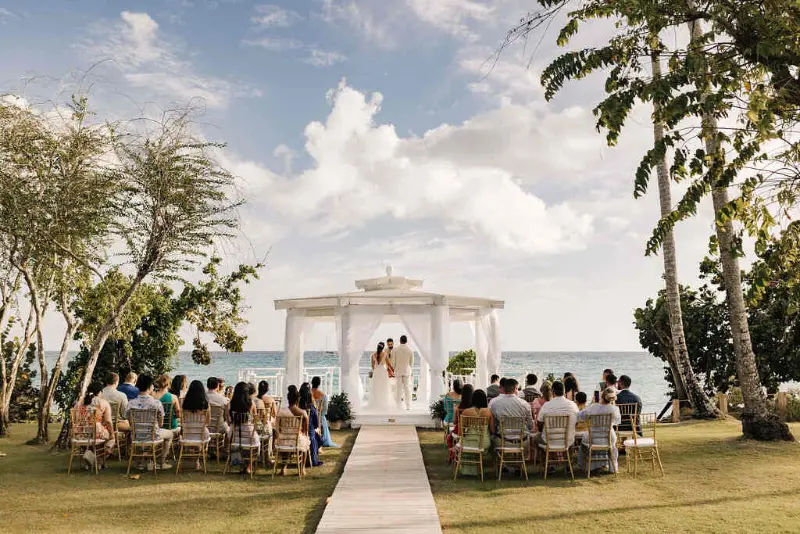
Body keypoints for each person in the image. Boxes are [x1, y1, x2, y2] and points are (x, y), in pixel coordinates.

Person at [126, 374, 173, 470]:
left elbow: (130, 422)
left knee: (137, 435)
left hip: (136, 435)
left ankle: (140, 462)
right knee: (170, 434)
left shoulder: (131, 403)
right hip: (153, 435)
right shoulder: (156, 403)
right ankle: (162, 462)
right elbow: (161, 424)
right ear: (150, 387)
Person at [576, 387, 621, 474]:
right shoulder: (614, 409)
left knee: (583, 443)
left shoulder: (593, 407)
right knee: (612, 446)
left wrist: (592, 404)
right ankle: (611, 467)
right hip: (609, 438)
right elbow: (617, 422)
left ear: (602, 396)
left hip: (593, 438)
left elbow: (580, 416)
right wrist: (612, 404)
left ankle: (586, 466)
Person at [74, 381, 115, 468]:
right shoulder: (103, 402)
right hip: (96, 433)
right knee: (111, 438)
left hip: (80, 434)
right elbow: (108, 421)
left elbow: (75, 419)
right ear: (100, 392)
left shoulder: (79, 403)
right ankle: (99, 460)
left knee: (96, 436)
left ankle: (90, 456)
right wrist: (112, 433)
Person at [489, 378, 534, 450]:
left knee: (490, 439)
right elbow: (530, 426)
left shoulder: (495, 404)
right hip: (522, 443)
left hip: (502, 442)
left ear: (503, 388)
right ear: (515, 389)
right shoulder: (525, 404)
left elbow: (493, 425)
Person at [535, 381, 579, 449]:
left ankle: (546, 455)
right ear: (564, 391)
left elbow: (539, 424)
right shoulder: (573, 405)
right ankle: (569, 455)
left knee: (536, 437)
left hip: (549, 441)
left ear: (552, 391)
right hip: (567, 441)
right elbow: (576, 423)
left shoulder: (546, 405)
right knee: (572, 439)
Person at [228, 382, 260, 475]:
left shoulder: (230, 404)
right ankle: (249, 466)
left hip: (234, 435)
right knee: (257, 445)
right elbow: (255, 420)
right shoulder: (251, 403)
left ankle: (239, 463)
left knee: (238, 444)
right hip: (249, 435)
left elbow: (229, 421)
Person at [278, 385, 310, 476]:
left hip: (284, 440)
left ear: (288, 399)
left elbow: (278, 427)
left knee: (290, 443)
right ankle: (302, 469)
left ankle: (283, 468)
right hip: (297, 439)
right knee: (305, 442)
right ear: (298, 399)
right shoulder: (302, 412)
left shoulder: (281, 411)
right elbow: (306, 430)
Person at [182, 380, 211, 470]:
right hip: (201, 432)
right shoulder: (206, 405)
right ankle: (197, 460)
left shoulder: (185, 403)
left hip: (187, 432)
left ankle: (191, 452)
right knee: (203, 436)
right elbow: (208, 421)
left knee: (194, 435)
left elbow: (183, 420)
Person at [300, 383, 323, 467]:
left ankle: (306, 458)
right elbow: (316, 424)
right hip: (309, 432)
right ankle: (313, 459)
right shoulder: (311, 408)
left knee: (315, 435)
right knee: (317, 437)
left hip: (298, 432)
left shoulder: (297, 407)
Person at [311, 376, 338, 448]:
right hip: (319, 418)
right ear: (319, 384)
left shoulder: (308, 394)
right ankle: (323, 439)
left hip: (309, 417)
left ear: (312, 383)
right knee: (323, 418)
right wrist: (319, 414)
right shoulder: (323, 395)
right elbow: (325, 410)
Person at [367, 341, 394, 411]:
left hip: (376, 373)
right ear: (383, 348)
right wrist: (393, 370)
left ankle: (376, 403)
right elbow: (389, 364)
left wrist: (375, 371)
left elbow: (372, 366)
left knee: (376, 388)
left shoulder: (373, 355)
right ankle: (383, 402)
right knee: (383, 387)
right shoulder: (385, 354)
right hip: (383, 372)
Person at [393, 335, 414, 410]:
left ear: (400, 341)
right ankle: (408, 406)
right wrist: (409, 369)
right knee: (407, 389)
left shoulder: (395, 349)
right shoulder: (410, 350)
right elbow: (411, 363)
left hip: (398, 371)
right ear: (406, 341)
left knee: (398, 389)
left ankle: (398, 406)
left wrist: (394, 369)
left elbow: (393, 362)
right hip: (407, 371)